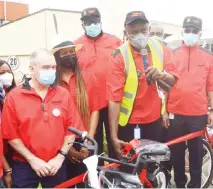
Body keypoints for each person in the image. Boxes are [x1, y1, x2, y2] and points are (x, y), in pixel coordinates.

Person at [1, 49, 84, 188]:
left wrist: (60, 157)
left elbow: (71, 131)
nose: (51, 71)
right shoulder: (14, 97)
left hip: (56, 164)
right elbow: (11, 136)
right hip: (24, 164)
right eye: (46, 67)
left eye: (53, 67)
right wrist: (33, 160)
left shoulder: (63, 95)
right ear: (32, 69)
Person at [107, 10, 179, 158]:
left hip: (154, 121)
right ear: (125, 32)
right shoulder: (119, 56)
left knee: (153, 166)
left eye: (143, 30)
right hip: (128, 124)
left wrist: (162, 74)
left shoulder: (160, 48)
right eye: (134, 32)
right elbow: (114, 100)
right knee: (129, 167)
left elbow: (173, 79)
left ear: (149, 29)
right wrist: (113, 137)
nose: (139, 35)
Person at [163, 16, 213, 188]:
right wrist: (165, 111)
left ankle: (196, 185)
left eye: (194, 31)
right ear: (183, 31)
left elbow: (212, 87)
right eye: (187, 30)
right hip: (175, 112)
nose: (190, 34)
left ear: (200, 34)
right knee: (176, 152)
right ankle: (180, 184)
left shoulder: (209, 57)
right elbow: (165, 86)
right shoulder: (172, 55)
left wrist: (212, 111)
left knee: (196, 153)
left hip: (198, 114)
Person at [74, 7, 122, 159]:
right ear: (83, 24)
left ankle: (116, 173)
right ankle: (97, 175)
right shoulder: (76, 45)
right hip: (90, 105)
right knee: (94, 142)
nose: (92, 25)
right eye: (88, 22)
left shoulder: (115, 41)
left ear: (100, 21)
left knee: (115, 139)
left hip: (113, 101)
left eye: (95, 21)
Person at [52, 41, 100, 186]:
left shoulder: (88, 77)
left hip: (85, 141)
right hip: (58, 145)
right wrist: (68, 148)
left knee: (87, 182)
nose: (70, 55)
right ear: (57, 57)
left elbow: (95, 110)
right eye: (64, 53)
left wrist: (88, 142)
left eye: (72, 51)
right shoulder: (51, 82)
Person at [0, 59, 17, 188]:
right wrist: (7, 169)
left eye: (8, 72)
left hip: (15, 149)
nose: (6, 75)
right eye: (2, 72)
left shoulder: (15, 95)